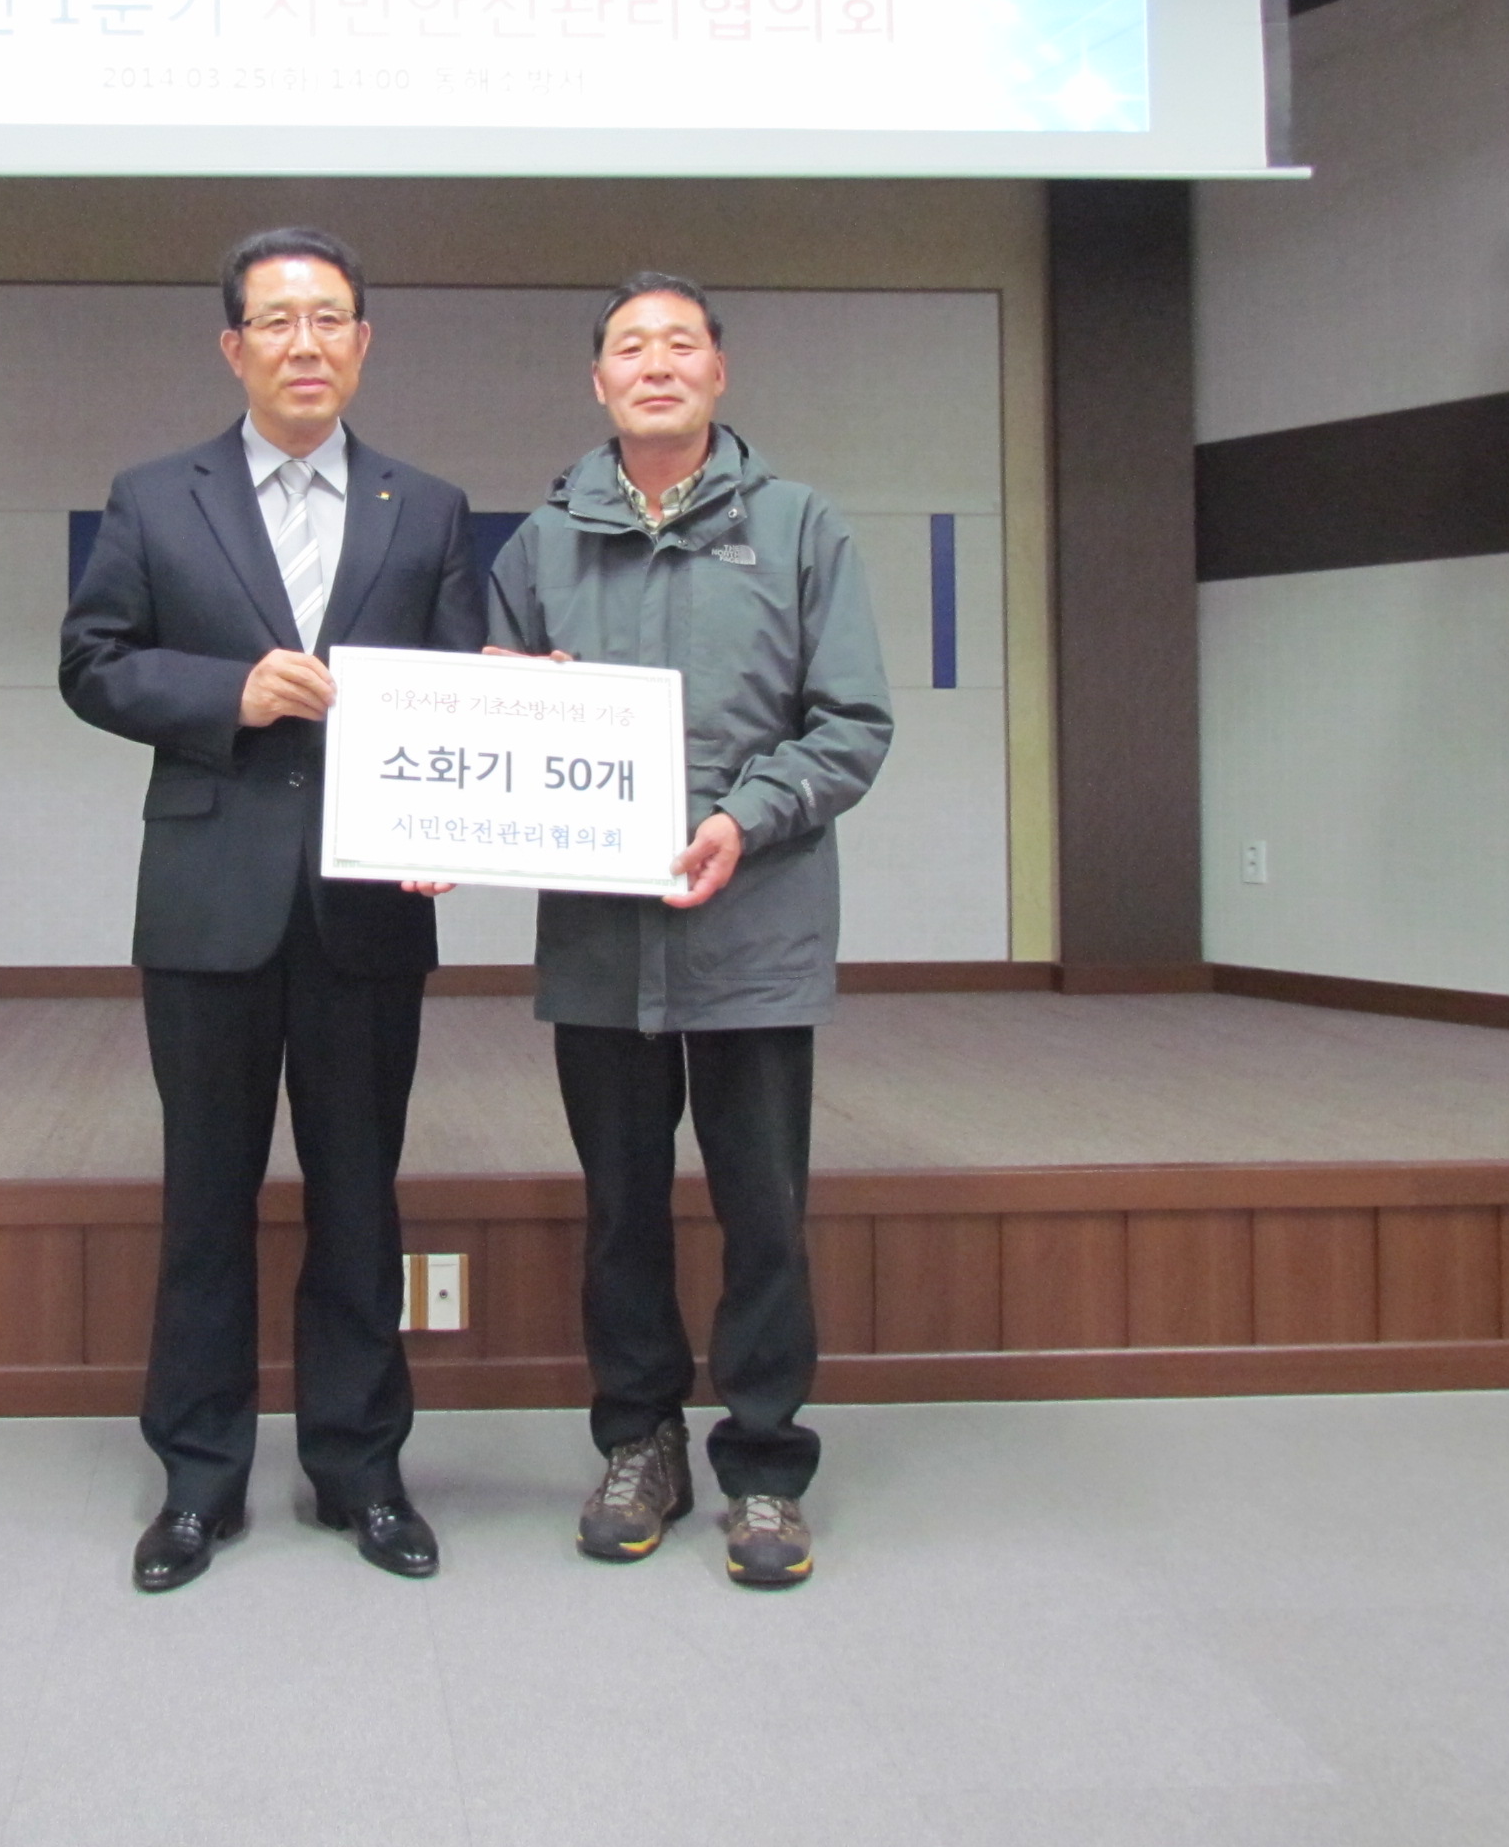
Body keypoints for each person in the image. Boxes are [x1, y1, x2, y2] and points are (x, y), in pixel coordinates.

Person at [62, 227, 485, 1593]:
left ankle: (361, 1470)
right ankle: (198, 1479)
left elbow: (456, 691)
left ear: (364, 342)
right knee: (206, 1200)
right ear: (233, 346)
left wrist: (463, 801)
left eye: (330, 318)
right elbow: (92, 663)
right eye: (278, 320)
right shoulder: (153, 496)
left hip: (371, 905)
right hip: (208, 901)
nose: (306, 343)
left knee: (362, 1199)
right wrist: (224, 695)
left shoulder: (428, 507)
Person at [486, 274, 892, 1589]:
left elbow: (852, 723)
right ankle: (638, 1444)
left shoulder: (802, 527)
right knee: (620, 1210)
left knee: (763, 1210)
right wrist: (501, 725)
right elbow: (491, 718)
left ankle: (765, 1465)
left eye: (680, 344)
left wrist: (744, 817)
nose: (655, 363)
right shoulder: (538, 547)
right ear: (598, 381)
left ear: (719, 372)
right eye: (629, 346)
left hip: (755, 925)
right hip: (601, 941)